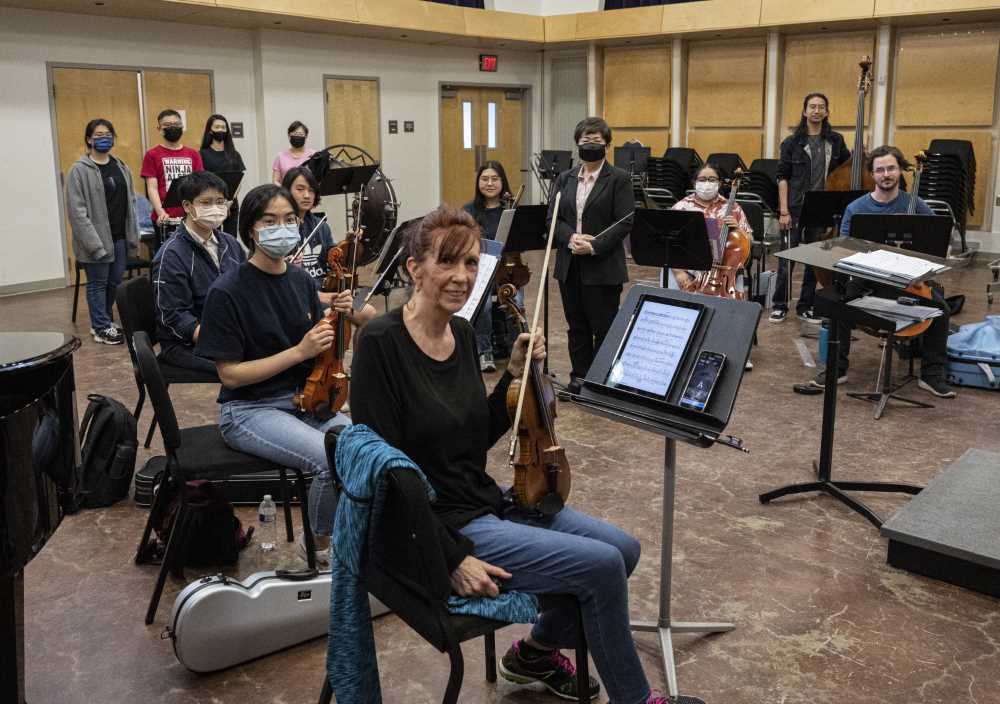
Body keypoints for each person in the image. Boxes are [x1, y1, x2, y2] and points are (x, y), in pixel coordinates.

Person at [350, 205, 672, 704]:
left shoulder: (458, 333)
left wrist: (513, 380)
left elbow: (469, 437)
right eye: (447, 263)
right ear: (414, 268)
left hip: (481, 499)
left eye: (472, 264)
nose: (461, 278)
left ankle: (537, 652)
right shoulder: (380, 344)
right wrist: (450, 556)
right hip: (436, 522)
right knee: (603, 567)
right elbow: (384, 477)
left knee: (624, 549)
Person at [195, 184, 376, 567]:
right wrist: (299, 351)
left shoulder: (299, 281)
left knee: (364, 448)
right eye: (270, 220)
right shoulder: (226, 292)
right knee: (328, 462)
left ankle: (356, 537)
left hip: (304, 400)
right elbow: (230, 377)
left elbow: (323, 355)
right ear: (250, 231)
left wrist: (341, 317)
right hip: (249, 409)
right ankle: (320, 553)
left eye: (290, 220)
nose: (283, 227)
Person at [796, 145, 956, 399]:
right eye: (879, 170)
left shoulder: (917, 204)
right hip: (868, 280)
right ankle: (836, 371)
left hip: (907, 281)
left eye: (891, 168)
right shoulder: (856, 208)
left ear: (899, 170)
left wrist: (938, 253)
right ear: (872, 174)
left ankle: (932, 375)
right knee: (834, 303)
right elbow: (844, 249)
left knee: (941, 311)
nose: (885, 174)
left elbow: (940, 243)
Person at [547, 117, 634, 395]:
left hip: (603, 264)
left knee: (604, 327)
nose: (590, 145)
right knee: (577, 326)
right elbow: (553, 217)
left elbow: (625, 220)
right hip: (570, 264)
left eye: (596, 141)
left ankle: (602, 383)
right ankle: (579, 379)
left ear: (607, 145)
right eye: (585, 141)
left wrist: (594, 244)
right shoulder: (565, 178)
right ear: (577, 144)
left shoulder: (619, 179)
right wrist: (571, 238)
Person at [151, 171, 244, 374]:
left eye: (220, 201)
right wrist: (223, 338)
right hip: (186, 344)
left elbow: (247, 288)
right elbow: (173, 317)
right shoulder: (171, 255)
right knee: (254, 366)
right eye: (206, 202)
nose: (215, 208)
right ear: (187, 206)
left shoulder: (229, 243)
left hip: (228, 331)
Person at [771, 93, 850, 324]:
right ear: (805, 111)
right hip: (795, 208)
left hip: (821, 209)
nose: (816, 110)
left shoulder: (836, 141)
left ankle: (805, 306)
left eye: (821, 107)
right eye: (812, 107)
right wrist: (783, 211)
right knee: (787, 260)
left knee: (813, 262)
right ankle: (780, 305)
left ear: (827, 112)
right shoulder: (791, 143)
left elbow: (845, 168)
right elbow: (782, 178)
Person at [65, 118, 139, 345]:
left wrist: (131, 236)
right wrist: (94, 244)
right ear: (89, 139)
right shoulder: (79, 170)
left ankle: (105, 320)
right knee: (97, 283)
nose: (103, 138)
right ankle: (99, 327)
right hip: (95, 240)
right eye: (98, 135)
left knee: (113, 282)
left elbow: (131, 202)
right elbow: (77, 213)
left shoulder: (121, 166)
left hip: (118, 237)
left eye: (107, 134)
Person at [669, 163, 753, 291]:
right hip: (688, 269)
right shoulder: (681, 207)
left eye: (712, 180)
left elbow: (750, 240)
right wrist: (679, 273)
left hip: (724, 270)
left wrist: (738, 231)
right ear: (694, 182)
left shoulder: (733, 208)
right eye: (702, 179)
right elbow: (669, 244)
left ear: (719, 184)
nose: (707, 183)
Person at [463, 160, 511, 372]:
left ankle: (515, 347)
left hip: (508, 272)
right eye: (484, 179)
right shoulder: (468, 211)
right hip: (479, 272)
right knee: (483, 304)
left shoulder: (510, 210)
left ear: (503, 182)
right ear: (478, 182)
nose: (489, 183)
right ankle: (485, 351)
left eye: (494, 179)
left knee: (516, 301)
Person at [281, 166, 338, 307]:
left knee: (368, 313)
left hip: (324, 288)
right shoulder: (280, 227)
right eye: (300, 189)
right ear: (286, 191)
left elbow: (334, 259)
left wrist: (351, 243)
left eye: (311, 190)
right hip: (298, 293)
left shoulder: (321, 225)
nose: (307, 195)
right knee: (332, 318)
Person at [142, 109, 204, 227]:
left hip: (191, 216)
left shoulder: (193, 154)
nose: (173, 127)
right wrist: (161, 212)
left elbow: (199, 185)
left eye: (176, 124)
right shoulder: (152, 154)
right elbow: (152, 188)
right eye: (167, 125)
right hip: (165, 218)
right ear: (159, 129)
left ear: (182, 127)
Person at [199, 114, 246, 236]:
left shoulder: (234, 154)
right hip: (211, 204)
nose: (220, 130)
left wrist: (229, 201)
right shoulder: (202, 154)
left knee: (231, 238)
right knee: (212, 237)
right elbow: (201, 181)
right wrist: (217, 202)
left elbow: (239, 181)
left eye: (223, 128)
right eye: (217, 127)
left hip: (231, 205)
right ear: (210, 130)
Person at [272, 121, 315, 185]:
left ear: (306, 137)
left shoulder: (314, 155)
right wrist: (284, 191)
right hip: (287, 193)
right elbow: (275, 181)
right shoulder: (281, 156)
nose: (297, 136)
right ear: (289, 136)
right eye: (295, 134)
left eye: (300, 134)